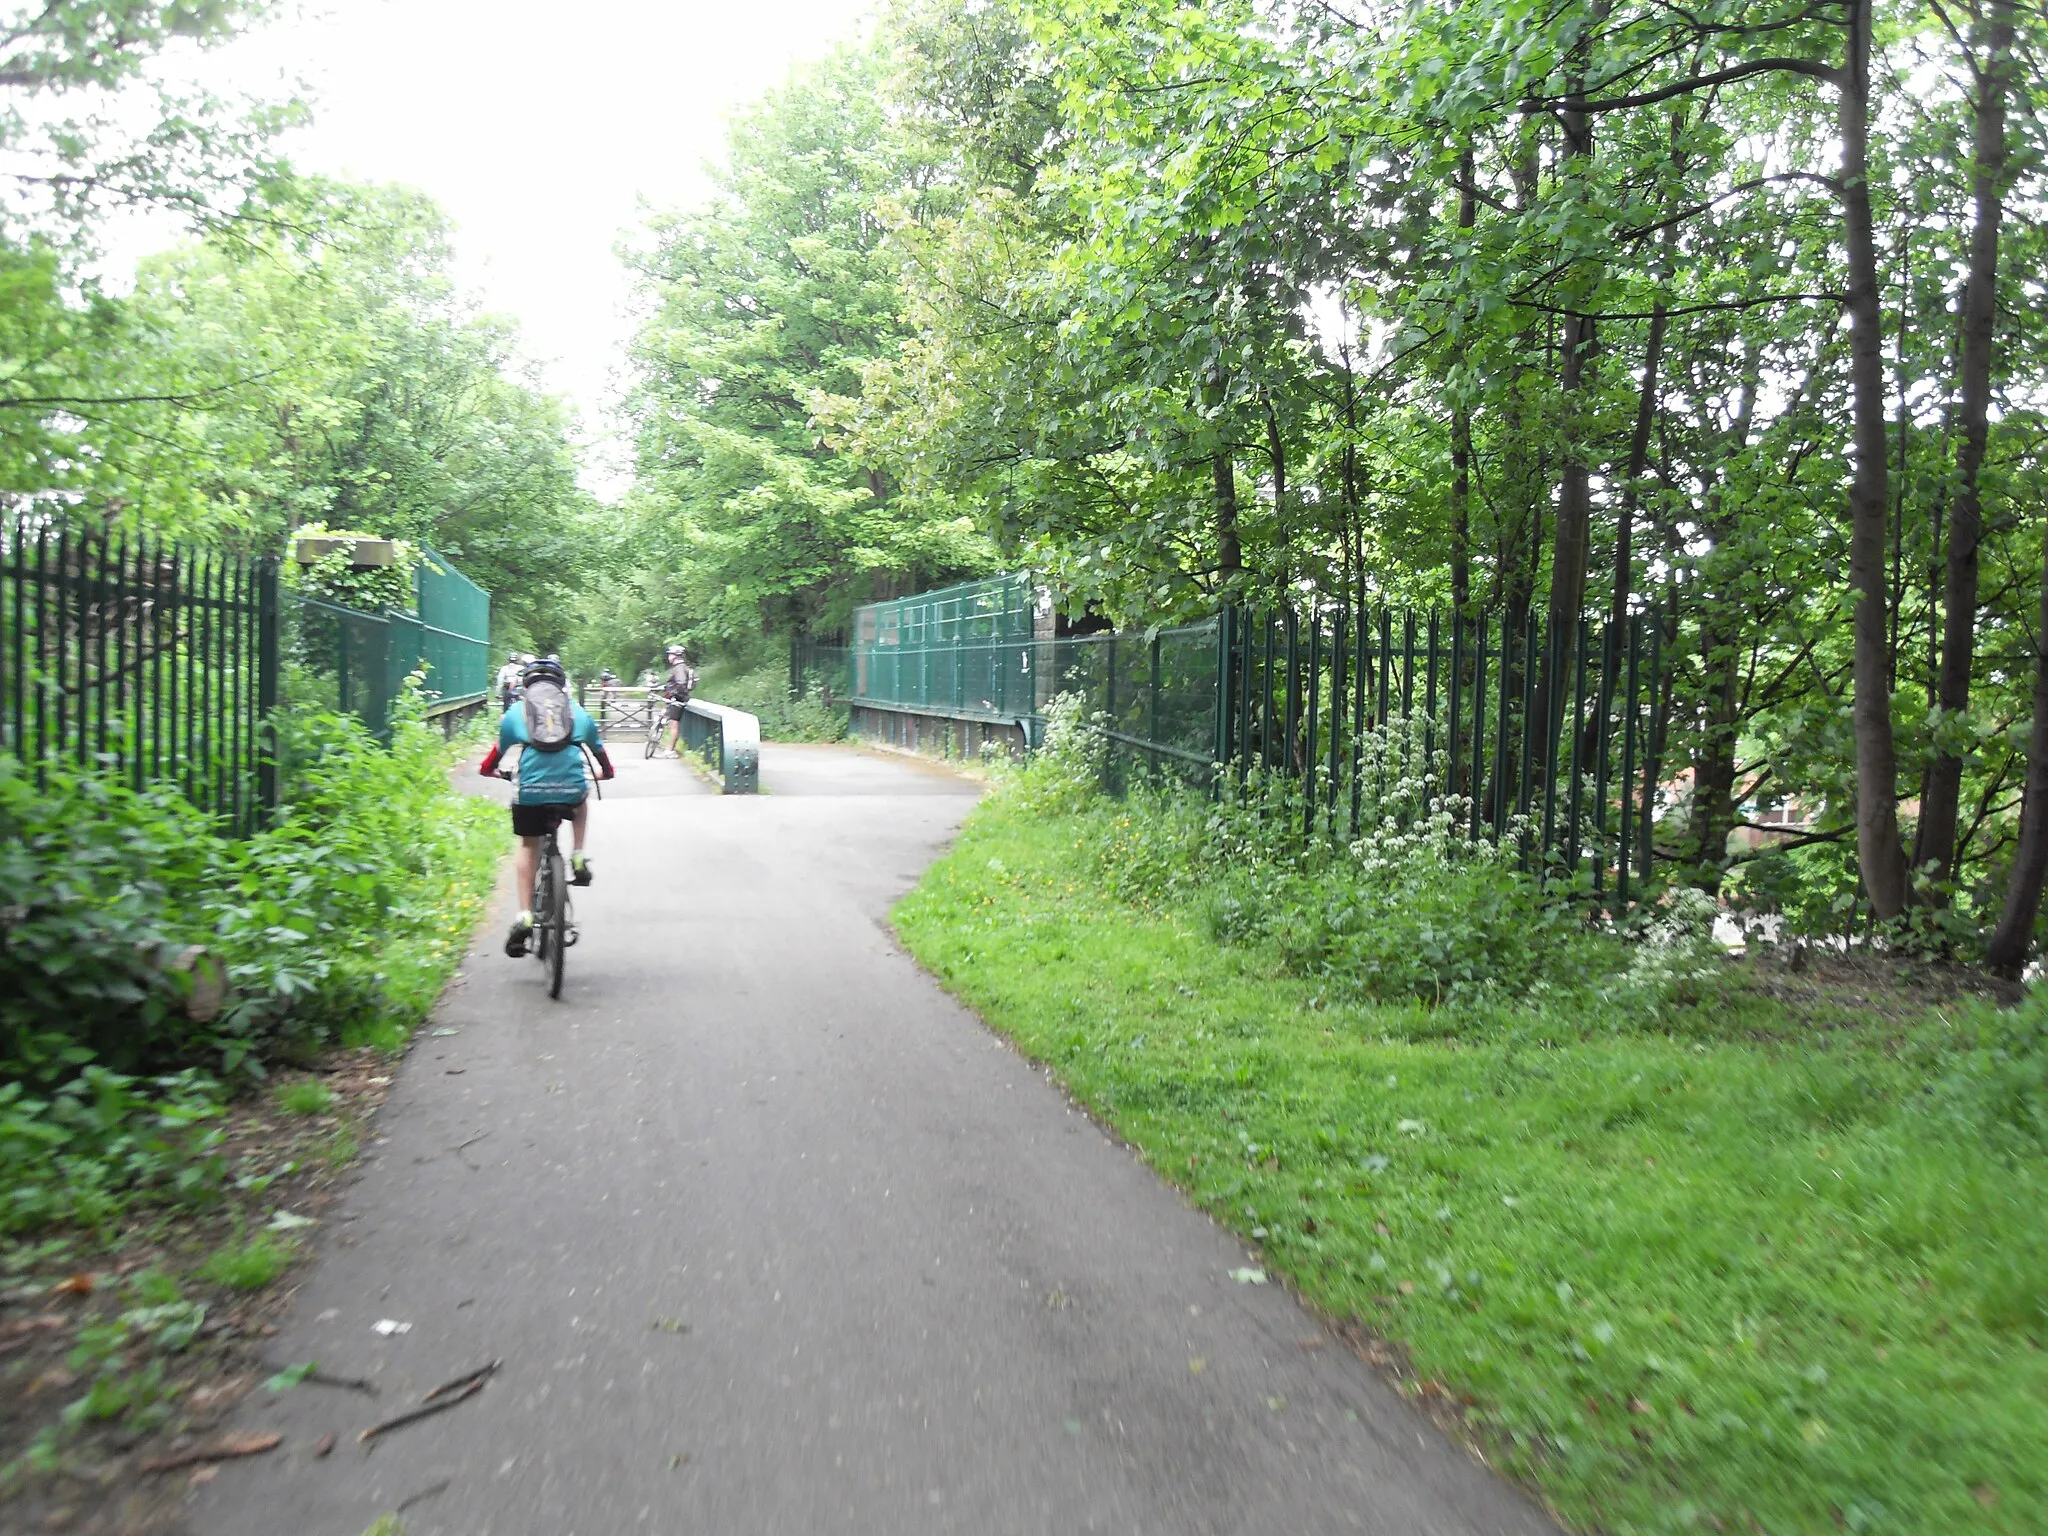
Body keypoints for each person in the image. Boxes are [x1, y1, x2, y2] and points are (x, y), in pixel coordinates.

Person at [479, 656, 614, 957]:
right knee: (581, 798)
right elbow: (601, 754)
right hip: (569, 790)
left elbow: (494, 757)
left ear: (526, 685)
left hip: (531, 793)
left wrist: (489, 771)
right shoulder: (577, 712)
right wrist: (606, 771)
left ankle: (525, 915)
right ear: (560, 684)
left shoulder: (516, 713)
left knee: (529, 846)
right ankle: (578, 855)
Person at [657, 643, 698, 758]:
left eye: (670, 654)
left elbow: (680, 683)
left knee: (674, 726)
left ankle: (670, 751)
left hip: (676, 700)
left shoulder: (679, 669)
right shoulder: (682, 667)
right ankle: (669, 749)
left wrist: (674, 696)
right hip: (675, 699)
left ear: (675, 656)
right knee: (671, 724)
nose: (668, 657)